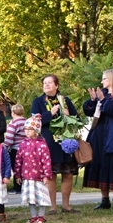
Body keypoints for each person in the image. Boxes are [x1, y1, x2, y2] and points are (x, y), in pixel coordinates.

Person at [83, 68, 113, 210]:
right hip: (99, 133)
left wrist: (103, 100)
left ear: (112, 79)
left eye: (104, 78)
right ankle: (105, 200)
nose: (101, 81)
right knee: (100, 163)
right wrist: (92, 100)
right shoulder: (101, 94)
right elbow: (90, 112)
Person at [31, 74, 80, 213]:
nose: (46, 85)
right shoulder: (38, 101)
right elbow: (35, 123)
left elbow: (77, 119)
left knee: (68, 174)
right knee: (51, 174)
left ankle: (66, 205)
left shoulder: (65, 100)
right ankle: (53, 206)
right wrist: (50, 114)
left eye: (49, 83)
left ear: (57, 85)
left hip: (65, 141)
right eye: (44, 83)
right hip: (48, 143)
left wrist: (68, 115)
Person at [15, 115, 53, 223]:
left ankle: (41, 216)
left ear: (36, 130)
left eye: (29, 129)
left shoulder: (42, 145)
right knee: (30, 197)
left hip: (39, 177)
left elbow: (47, 161)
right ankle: (33, 216)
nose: (26, 132)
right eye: (25, 129)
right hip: (27, 177)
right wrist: (17, 174)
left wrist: (47, 175)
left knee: (41, 197)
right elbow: (18, 160)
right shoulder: (22, 144)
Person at [3, 104, 27, 193]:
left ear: (13, 113)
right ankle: (25, 185)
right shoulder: (26, 121)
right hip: (26, 148)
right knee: (24, 167)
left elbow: (9, 138)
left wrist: (5, 147)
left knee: (16, 167)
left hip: (16, 149)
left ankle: (17, 187)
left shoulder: (13, 123)